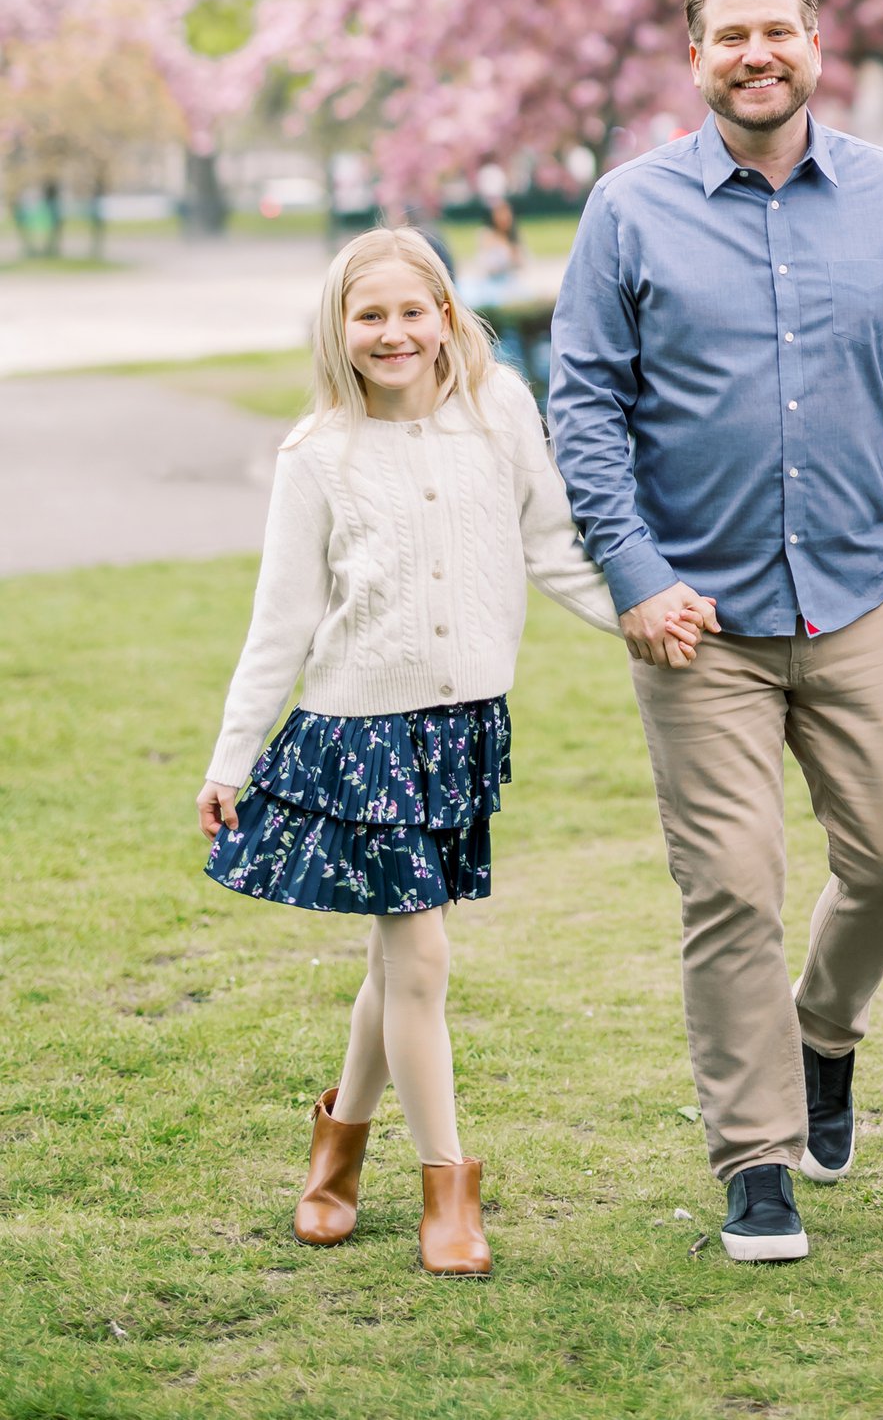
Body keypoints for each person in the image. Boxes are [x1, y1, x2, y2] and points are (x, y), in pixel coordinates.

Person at [546, 0, 883, 1268]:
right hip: (699, 620)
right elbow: (583, 403)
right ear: (695, 59)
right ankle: (756, 1157)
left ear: (815, 43)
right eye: (731, 35)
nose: (758, 52)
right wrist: (634, 573)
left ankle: (823, 1031)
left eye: (778, 31)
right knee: (732, 886)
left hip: (858, 594)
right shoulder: (628, 210)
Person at [198, 226, 621, 1275]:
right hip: (363, 738)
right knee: (421, 958)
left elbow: (551, 545)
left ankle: (336, 1147)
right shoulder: (316, 453)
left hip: (463, 727)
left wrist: (643, 616)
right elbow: (281, 620)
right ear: (339, 328)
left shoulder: (500, 408)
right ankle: (448, 1189)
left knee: (396, 964)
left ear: (446, 314)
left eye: (411, 310)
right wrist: (229, 756)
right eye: (370, 314)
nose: (393, 333)